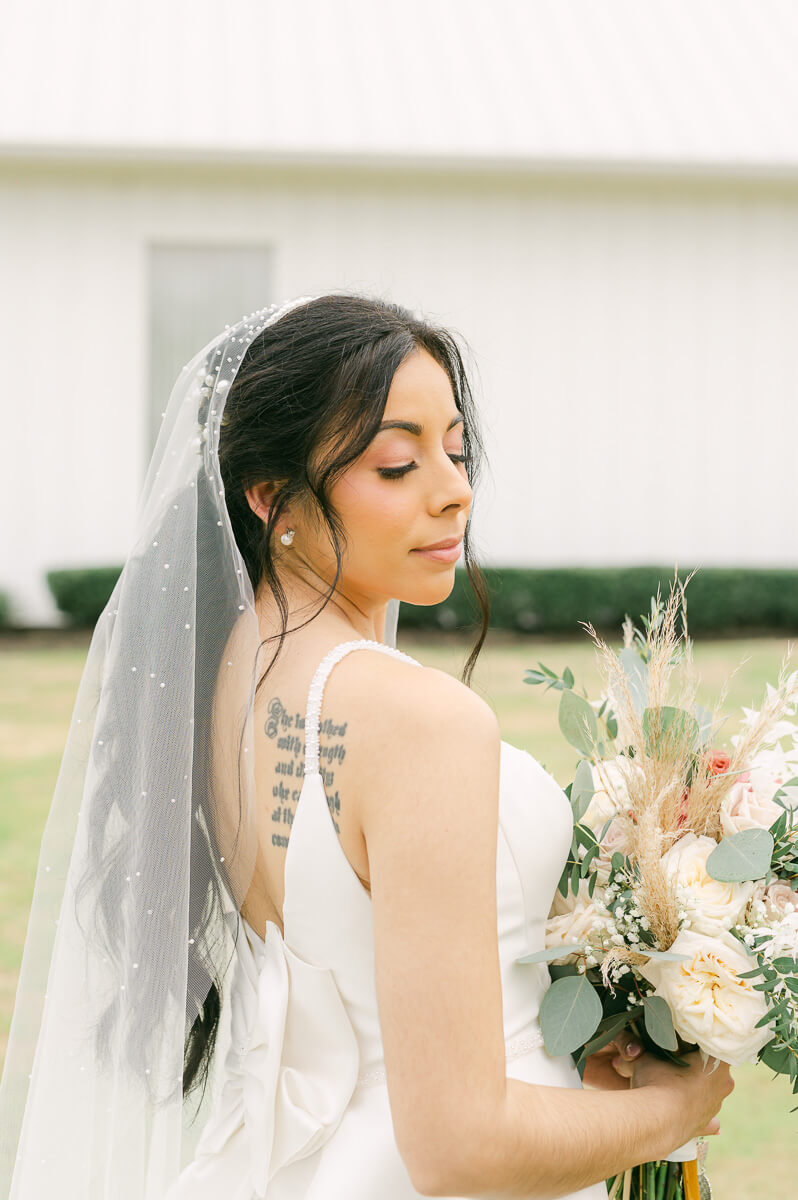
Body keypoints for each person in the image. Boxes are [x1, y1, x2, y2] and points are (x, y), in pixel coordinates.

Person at [0, 293, 732, 1200]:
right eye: (396, 463)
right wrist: (677, 1106)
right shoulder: (415, 718)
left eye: (455, 450)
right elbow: (459, 1146)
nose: (454, 487)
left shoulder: (226, 678)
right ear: (273, 499)